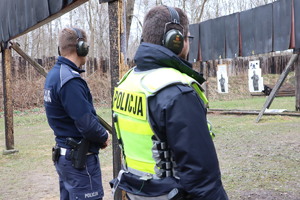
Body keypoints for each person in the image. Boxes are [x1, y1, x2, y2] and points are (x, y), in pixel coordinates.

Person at [111, 5, 228, 200]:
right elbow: (202, 180)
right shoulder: (176, 91)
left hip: (137, 193)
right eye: (186, 38)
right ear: (176, 40)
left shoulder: (128, 81)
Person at [43, 27, 109, 200]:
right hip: (79, 162)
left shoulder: (54, 75)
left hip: (66, 157)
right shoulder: (70, 81)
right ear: (82, 48)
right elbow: (87, 124)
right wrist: (103, 136)